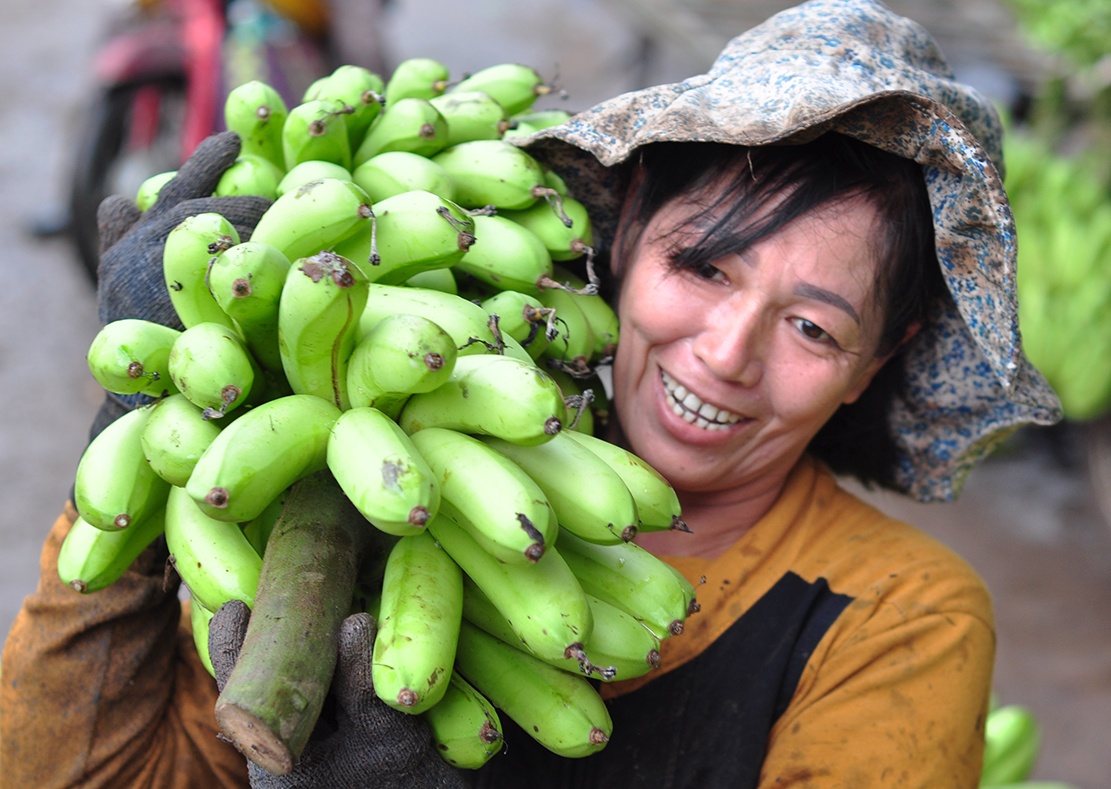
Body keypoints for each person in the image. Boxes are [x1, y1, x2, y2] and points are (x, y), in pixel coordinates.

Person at [0, 0, 1062, 786]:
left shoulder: (901, 622)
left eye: (812, 327)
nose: (727, 355)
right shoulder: (358, 501)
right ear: (627, 232)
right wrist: (135, 437)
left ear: (877, 359)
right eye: (702, 267)